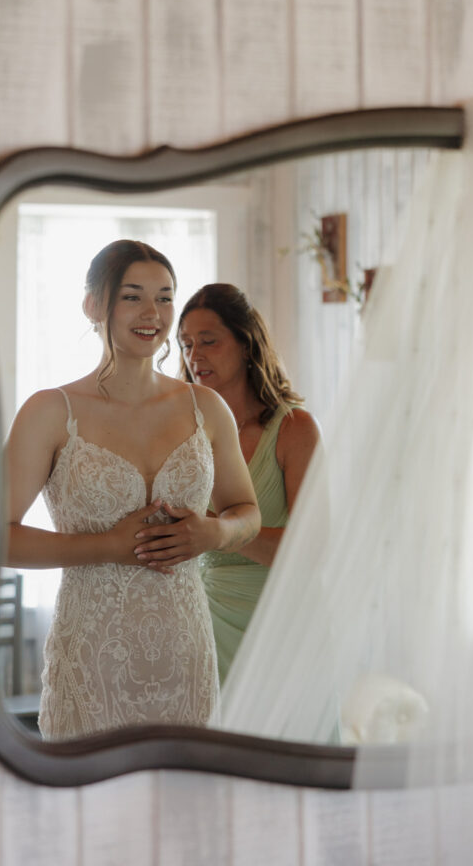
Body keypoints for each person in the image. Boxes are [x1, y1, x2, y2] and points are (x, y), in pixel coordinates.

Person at [5, 241, 259, 740]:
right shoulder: (51, 411)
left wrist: (214, 533)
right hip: (93, 658)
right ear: (93, 305)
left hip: (185, 652)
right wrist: (106, 546)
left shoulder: (205, 408)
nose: (152, 314)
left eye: (165, 298)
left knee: (184, 807)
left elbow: (246, 511)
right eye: (132, 297)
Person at [177, 283, 320, 685]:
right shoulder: (184, 432)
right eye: (186, 344)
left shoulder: (294, 429)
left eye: (209, 341)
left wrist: (220, 534)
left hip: (280, 623)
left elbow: (312, 550)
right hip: (202, 619)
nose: (195, 355)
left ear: (246, 344)